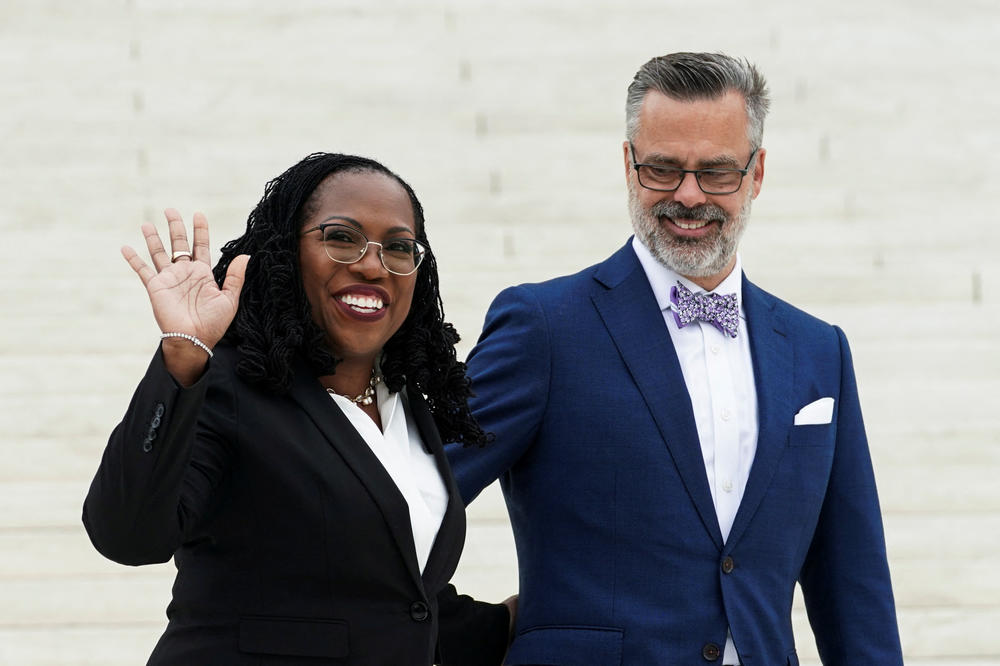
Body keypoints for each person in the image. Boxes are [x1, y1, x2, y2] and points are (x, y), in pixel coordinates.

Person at [447, 53, 904, 665]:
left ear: (757, 172)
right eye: (663, 169)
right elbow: (407, 502)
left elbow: (854, 583)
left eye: (716, 172)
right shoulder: (543, 328)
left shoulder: (819, 349)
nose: (688, 196)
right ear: (629, 165)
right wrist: (463, 631)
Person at [83, 152, 512, 665]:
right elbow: (128, 535)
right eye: (341, 237)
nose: (372, 264)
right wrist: (181, 358)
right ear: (287, 252)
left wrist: (532, 618)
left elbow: (397, 601)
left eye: (399, 247)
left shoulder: (406, 405)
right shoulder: (229, 387)